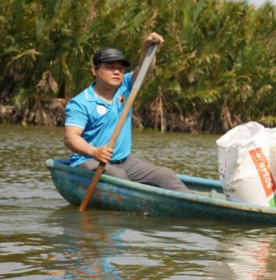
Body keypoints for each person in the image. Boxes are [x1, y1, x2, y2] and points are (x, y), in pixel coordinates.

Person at [63, 32, 190, 193]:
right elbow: (70, 138)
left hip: (124, 161)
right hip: (89, 161)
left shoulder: (125, 87)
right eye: (110, 68)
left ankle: (198, 205)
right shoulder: (82, 102)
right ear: (95, 70)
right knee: (119, 176)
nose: (117, 72)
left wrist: (146, 48)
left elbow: (146, 69)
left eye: (120, 69)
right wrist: (94, 151)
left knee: (166, 175)